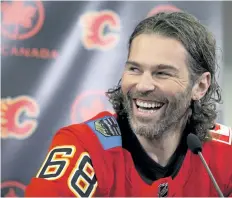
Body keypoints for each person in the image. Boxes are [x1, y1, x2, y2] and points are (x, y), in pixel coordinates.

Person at [25, 11, 232, 197]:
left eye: (162, 73)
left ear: (200, 86)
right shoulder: (86, 145)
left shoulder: (224, 153)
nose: (143, 85)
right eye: (135, 69)